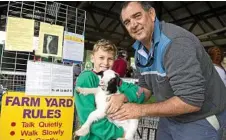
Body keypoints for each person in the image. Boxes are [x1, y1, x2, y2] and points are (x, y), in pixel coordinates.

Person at [108, 2, 226, 140]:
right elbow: (145, 88)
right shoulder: (140, 50)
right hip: (170, 117)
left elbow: (191, 101)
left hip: (200, 119)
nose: (133, 24)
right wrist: (125, 96)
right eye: (127, 22)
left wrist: (139, 110)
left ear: (151, 14)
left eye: (137, 16)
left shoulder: (175, 43)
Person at [74, 39, 150, 140]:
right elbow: (87, 116)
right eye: (101, 57)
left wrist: (124, 97)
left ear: (114, 60)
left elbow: (141, 93)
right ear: (92, 58)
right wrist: (121, 133)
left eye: (110, 59)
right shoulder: (87, 78)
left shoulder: (114, 79)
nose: (105, 62)